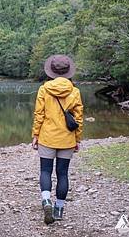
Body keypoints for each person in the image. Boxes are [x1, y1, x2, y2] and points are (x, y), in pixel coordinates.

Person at [31, 55, 83, 225]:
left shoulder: (44, 89)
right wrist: (77, 139)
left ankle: (46, 201)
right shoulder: (74, 91)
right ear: (68, 72)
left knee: (45, 171)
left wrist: (35, 135)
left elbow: (39, 115)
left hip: (47, 137)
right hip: (67, 139)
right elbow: (78, 118)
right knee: (62, 174)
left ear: (51, 72)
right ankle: (59, 208)